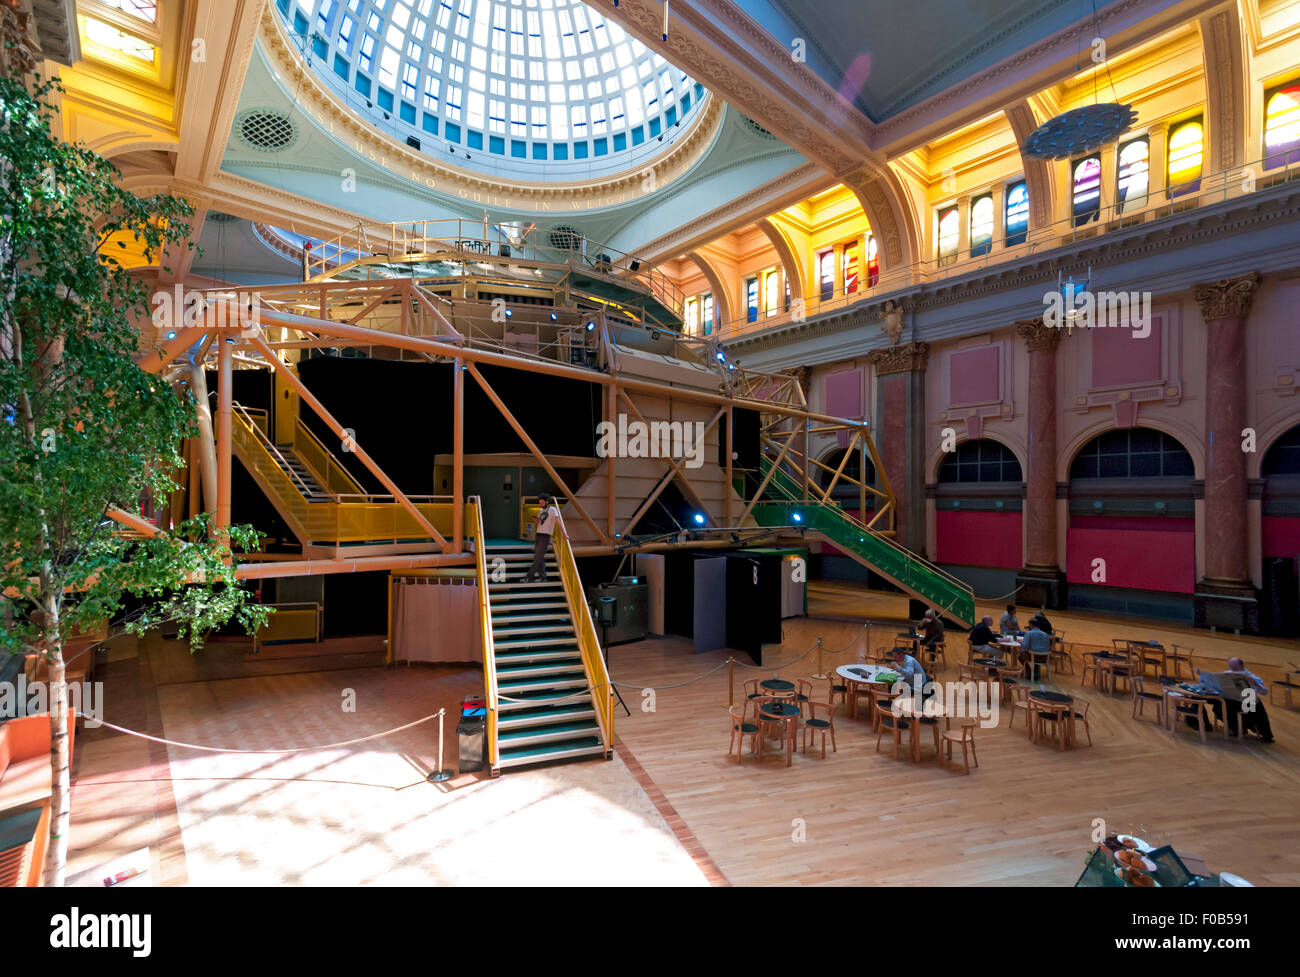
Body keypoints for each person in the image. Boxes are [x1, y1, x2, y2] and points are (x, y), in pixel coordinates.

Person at [1205, 658, 1275, 743]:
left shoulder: (1252, 677)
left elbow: (1264, 692)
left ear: (1242, 666)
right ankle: (1237, 728)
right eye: (1231, 667)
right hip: (1232, 700)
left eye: (1235, 667)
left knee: (1255, 705)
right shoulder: (1227, 674)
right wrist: (1213, 689)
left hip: (1247, 703)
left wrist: (1255, 683)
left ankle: (1242, 728)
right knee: (1218, 706)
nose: (1232, 669)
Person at [523, 493, 561, 583]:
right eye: (540, 503)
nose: (541, 504)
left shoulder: (553, 510)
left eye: (542, 503)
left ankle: (529, 577)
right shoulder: (540, 510)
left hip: (545, 536)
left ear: (547, 502)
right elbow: (540, 523)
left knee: (537, 558)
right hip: (538, 535)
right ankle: (543, 577)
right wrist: (536, 520)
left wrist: (564, 533)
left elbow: (558, 522)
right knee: (540, 558)